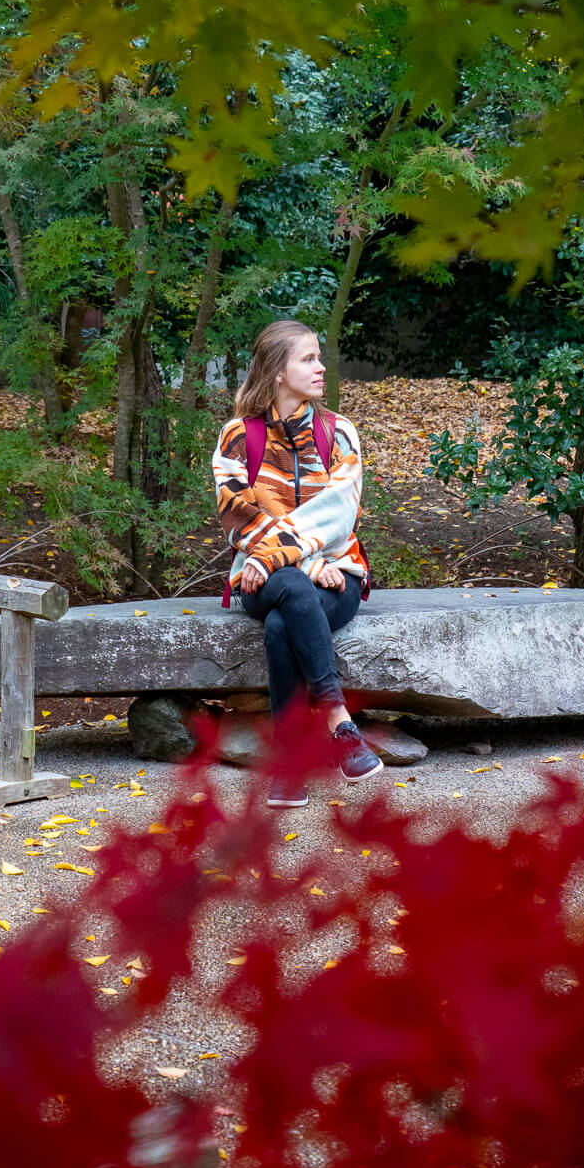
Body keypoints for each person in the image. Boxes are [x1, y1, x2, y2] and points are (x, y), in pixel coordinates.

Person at [212, 320, 384, 809]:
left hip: (334, 578)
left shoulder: (338, 433)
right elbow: (237, 516)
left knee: (280, 627)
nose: (320, 367)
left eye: (319, 357)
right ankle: (338, 723)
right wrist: (306, 566)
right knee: (291, 586)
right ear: (276, 370)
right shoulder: (237, 438)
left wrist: (288, 562)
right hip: (267, 579)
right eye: (308, 358)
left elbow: (338, 514)